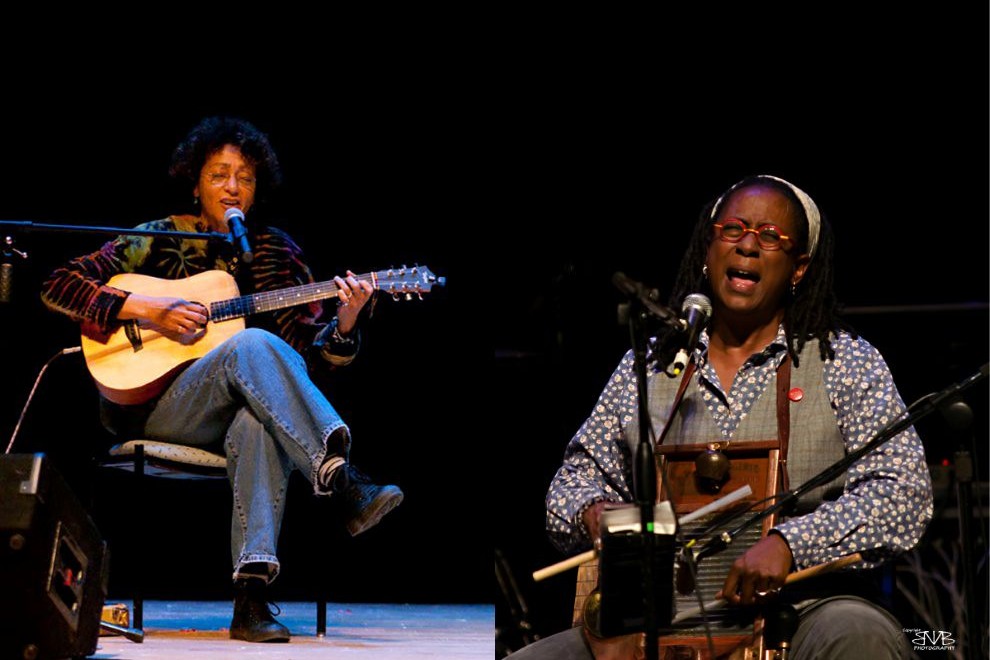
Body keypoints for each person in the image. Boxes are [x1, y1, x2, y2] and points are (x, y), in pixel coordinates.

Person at [510, 174, 933, 659]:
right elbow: (573, 481)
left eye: (771, 237)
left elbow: (902, 491)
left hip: (801, 611)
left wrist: (790, 543)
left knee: (859, 634)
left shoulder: (844, 362)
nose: (749, 246)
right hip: (654, 619)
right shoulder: (649, 366)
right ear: (708, 249)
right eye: (733, 229)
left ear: (799, 269)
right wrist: (595, 513)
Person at [40, 116, 404, 643]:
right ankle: (339, 478)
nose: (233, 187)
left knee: (258, 419)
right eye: (220, 174)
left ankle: (252, 599)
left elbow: (306, 364)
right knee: (251, 344)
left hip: (236, 411)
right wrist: (149, 310)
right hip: (154, 407)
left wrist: (344, 323)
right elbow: (59, 284)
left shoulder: (276, 253)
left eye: (246, 178)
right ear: (196, 181)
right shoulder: (157, 239)